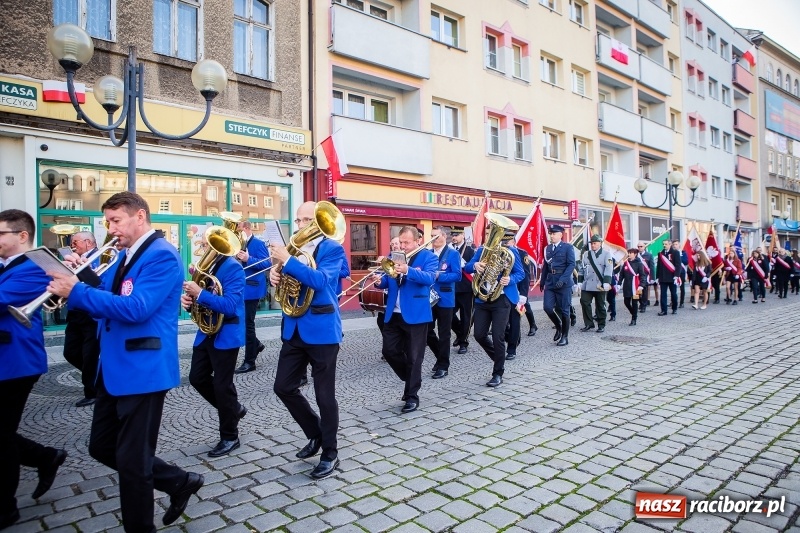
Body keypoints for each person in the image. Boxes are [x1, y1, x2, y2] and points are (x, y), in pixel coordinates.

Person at [48, 192, 204, 531]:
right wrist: (80, 277)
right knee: (101, 446)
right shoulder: (124, 255)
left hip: (144, 367)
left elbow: (137, 308)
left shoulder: (162, 256)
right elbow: (107, 291)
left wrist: (75, 290)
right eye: (108, 222)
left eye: (116, 220)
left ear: (140, 216)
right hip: (115, 365)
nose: (111, 228)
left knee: (134, 463)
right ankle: (179, 481)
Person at [0, 209, 68, 530]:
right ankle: (44, 457)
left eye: (2, 234)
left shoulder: (34, 266)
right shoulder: (6, 266)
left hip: (15, 362)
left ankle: (5, 507)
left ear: (22, 236)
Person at [269, 202, 346, 479]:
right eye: (299, 220)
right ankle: (315, 433)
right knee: (283, 387)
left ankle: (330, 453)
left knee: (325, 395)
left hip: (322, 331)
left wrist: (287, 262)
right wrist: (274, 273)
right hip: (294, 328)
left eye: (307, 220)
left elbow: (322, 281)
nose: (301, 225)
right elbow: (281, 279)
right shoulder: (291, 249)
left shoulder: (331, 248)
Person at [182, 236, 247, 458]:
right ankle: (234, 409)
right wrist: (190, 301)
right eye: (203, 243)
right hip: (206, 331)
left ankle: (230, 436)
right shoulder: (205, 267)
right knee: (196, 378)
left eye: (206, 243)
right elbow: (203, 299)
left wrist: (199, 293)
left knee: (222, 385)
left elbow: (230, 306)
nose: (203, 247)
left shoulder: (233, 268)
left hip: (226, 333)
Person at [373, 226, 437, 411]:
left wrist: (408, 270)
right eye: (400, 242)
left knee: (415, 357)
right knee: (389, 351)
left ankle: (411, 396)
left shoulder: (429, 257)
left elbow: (430, 278)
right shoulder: (394, 256)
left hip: (416, 313)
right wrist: (380, 282)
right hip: (393, 312)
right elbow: (389, 280)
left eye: (406, 243)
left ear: (417, 241)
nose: (402, 246)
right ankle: (410, 378)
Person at [465, 227, 524, 386]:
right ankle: (499, 356)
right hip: (483, 298)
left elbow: (521, 273)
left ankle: (498, 372)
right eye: (489, 233)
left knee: (498, 336)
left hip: (501, 299)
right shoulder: (482, 250)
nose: (491, 236)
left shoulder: (510, 251)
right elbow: (467, 267)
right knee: (479, 335)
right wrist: (475, 265)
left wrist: (509, 280)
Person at [62, 230, 101, 407]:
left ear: (88, 242)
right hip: (75, 312)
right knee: (70, 352)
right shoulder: (73, 258)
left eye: (76, 242)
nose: (73, 245)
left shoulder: (101, 257)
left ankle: (92, 391)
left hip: (90, 315)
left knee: (90, 355)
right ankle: (100, 378)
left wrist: (82, 272)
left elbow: (98, 283)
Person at [426, 226, 461, 379]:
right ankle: (440, 356)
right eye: (432, 236)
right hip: (429, 298)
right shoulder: (428, 253)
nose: (433, 239)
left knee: (444, 333)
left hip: (445, 298)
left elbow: (457, 275)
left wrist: (440, 277)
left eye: (436, 236)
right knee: (426, 330)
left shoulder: (453, 253)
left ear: (444, 236)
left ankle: (443, 366)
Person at [234, 220, 269, 374]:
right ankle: (256, 345)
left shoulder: (259, 244)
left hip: (252, 289)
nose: (237, 232)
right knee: (241, 322)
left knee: (247, 324)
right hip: (238, 288)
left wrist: (249, 259)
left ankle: (250, 361)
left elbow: (267, 264)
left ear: (247, 228)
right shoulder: (235, 244)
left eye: (239, 229)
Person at [540, 225, 576, 346]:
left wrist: (563, 279)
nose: (552, 236)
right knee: (547, 307)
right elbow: (546, 266)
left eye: (554, 234)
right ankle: (558, 326)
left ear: (561, 235)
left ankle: (565, 337)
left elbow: (571, 265)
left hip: (564, 283)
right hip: (550, 282)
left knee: (565, 310)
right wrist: (542, 280)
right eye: (551, 234)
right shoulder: (548, 249)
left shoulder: (567, 247)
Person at [579, 235, 613, 333]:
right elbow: (582, 267)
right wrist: (580, 281)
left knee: (600, 305)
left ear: (600, 243)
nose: (593, 245)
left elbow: (609, 268)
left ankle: (601, 325)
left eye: (595, 243)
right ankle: (589, 324)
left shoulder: (607, 254)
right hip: (587, 283)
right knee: (584, 302)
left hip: (600, 284)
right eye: (592, 243)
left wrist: (606, 282)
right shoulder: (586, 254)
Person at [450, 227, 475, 354]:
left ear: (463, 236)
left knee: (466, 317)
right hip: (452, 288)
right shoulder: (449, 250)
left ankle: (463, 342)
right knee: (449, 315)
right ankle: (460, 334)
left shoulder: (470, 250)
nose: (453, 237)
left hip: (466, 289)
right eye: (452, 235)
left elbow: (473, 270)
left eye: (456, 234)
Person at [620, 248, 646, 326]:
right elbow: (621, 275)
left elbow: (642, 275)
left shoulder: (639, 263)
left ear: (635, 254)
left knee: (634, 303)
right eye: (629, 253)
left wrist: (641, 285)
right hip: (627, 286)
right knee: (626, 302)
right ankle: (634, 313)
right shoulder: (626, 263)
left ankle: (634, 319)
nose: (629, 254)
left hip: (635, 286)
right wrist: (618, 283)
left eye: (631, 253)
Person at [656, 238, 681, 315]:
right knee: (663, 294)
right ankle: (664, 310)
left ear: (670, 244)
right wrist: (657, 277)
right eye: (663, 244)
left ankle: (674, 308)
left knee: (673, 294)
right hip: (663, 278)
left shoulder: (675, 253)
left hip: (672, 277)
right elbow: (659, 266)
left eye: (666, 244)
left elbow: (678, 265)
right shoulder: (660, 253)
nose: (664, 245)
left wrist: (676, 276)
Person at [637, 242, 654, 313]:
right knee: (637, 292)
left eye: (641, 246)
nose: (639, 248)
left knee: (644, 292)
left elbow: (652, 266)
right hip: (637, 276)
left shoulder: (649, 255)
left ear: (644, 247)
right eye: (638, 246)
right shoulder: (636, 255)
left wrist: (652, 277)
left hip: (645, 276)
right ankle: (641, 303)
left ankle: (643, 305)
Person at [673, 239, 688, 308]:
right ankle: (673, 301)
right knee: (673, 288)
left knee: (682, 288)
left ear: (679, 245)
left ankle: (682, 302)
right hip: (674, 272)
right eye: (674, 245)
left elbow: (686, 261)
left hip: (681, 272)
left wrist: (679, 257)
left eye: (676, 244)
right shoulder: (672, 253)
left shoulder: (683, 253)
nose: (675, 246)